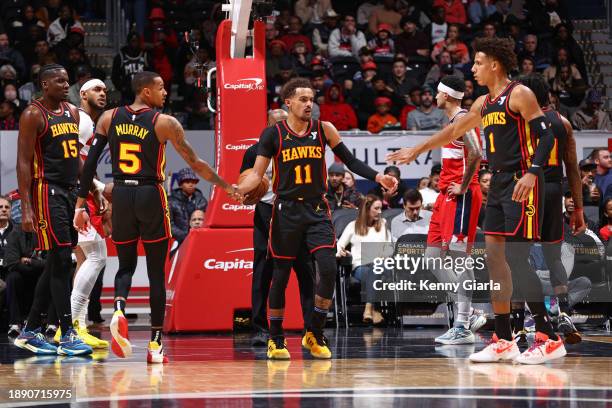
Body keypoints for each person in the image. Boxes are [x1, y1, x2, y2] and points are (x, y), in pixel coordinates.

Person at [388, 37, 580, 365]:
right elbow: (452, 132)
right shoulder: (482, 103)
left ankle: (548, 337)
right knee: (495, 261)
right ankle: (504, 338)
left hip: (524, 180)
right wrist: (416, 150)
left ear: (494, 64)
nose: (472, 69)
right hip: (499, 182)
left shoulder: (519, 94)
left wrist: (533, 173)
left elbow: (546, 135)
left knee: (518, 259)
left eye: (477, 63)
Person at [74, 71, 239, 364]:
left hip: (121, 194)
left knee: (124, 266)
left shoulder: (108, 117)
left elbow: (87, 168)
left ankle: (120, 308)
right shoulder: (164, 122)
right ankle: (155, 344)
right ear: (146, 92)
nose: (165, 92)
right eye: (161, 87)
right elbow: (195, 163)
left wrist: (79, 203)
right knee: (155, 272)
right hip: (151, 194)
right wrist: (226, 186)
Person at [236, 77, 397, 360]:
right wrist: (238, 190)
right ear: (288, 103)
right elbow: (257, 176)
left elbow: (350, 161)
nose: (309, 104)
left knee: (328, 268)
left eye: (312, 99)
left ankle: (315, 332)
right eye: (303, 99)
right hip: (285, 211)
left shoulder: (324, 129)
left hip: (317, 210)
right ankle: (276, 338)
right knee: (281, 276)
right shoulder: (273, 134)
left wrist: (377, 176)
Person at [14, 64, 92, 356]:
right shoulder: (33, 114)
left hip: (70, 191)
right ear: (45, 85)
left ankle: (32, 330)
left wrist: (91, 188)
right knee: (60, 258)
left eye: (67, 80)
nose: (65, 84)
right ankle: (67, 334)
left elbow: (76, 158)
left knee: (59, 262)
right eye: (60, 80)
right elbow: (23, 162)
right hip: (46, 190)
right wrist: (26, 207)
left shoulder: (72, 112)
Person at [514, 73, 585, 344]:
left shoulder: (521, 119)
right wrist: (578, 209)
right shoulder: (563, 122)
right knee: (552, 254)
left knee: (517, 257)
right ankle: (564, 311)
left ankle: (519, 323)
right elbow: (574, 170)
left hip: (528, 188)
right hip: (555, 190)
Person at [240, 108, 315, 346]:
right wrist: (246, 191)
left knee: (305, 268)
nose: (285, 125)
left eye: (287, 121)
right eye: (279, 122)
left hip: (296, 210)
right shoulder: (254, 151)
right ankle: (261, 328)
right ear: (269, 125)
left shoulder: (301, 145)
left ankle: (310, 329)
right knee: (263, 268)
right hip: (266, 210)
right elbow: (245, 181)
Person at [422, 75, 486, 345]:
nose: (434, 97)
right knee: (432, 257)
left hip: (461, 195)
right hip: (445, 197)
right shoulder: (451, 122)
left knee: (460, 260)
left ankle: (461, 325)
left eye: (437, 93)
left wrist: (462, 184)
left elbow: (476, 154)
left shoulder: (462, 120)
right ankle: (469, 312)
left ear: (446, 95)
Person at [58, 78, 110, 349]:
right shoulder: (83, 119)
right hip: (74, 195)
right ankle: (72, 325)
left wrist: (96, 188)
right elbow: (75, 159)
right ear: (83, 94)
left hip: (76, 192)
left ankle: (72, 325)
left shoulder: (81, 118)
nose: (103, 94)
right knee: (97, 256)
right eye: (97, 90)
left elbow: (84, 163)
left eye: (105, 90)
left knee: (83, 259)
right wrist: (99, 188)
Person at [337, 195, 390, 325]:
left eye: (381, 208)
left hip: (381, 266)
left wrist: (385, 255)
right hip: (360, 267)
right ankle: (375, 310)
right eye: (376, 208)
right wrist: (342, 252)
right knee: (374, 271)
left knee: (376, 267)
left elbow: (390, 248)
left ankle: (368, 308)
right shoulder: (352, 226)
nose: (380, 212)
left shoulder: (383, 224)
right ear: (367, 209)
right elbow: (339, 246)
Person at [5, 222, 46, 336]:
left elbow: (49, 262)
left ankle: (39, 321)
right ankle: (14, 323)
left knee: (49, 277)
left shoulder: (43, 232)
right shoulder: (14, 234)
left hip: (40, 273)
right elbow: (12, 262)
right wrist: (37, 264)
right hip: (21, 273)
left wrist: (30, 261)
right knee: (12, 278)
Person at [169, 168, 208, 246]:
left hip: (200, 239)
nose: (191, 185)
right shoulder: (171, 202)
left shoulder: (201, 200)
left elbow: (207, 222)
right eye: (187, 182)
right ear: (180, 184)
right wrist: (186, 236)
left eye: (193, 182)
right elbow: (169, 225)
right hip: (178, 241)